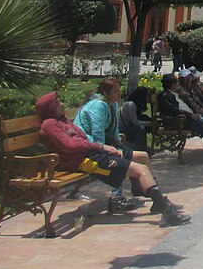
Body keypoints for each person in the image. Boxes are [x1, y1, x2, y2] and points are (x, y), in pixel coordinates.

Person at [36, 91, 190, 226]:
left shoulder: (62, 121)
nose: (62, 104)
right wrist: (101, 147)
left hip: (92, 155)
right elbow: (70, 146)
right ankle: (166, 212)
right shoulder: (50, 125)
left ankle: (156, 200)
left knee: (141, 158)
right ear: (50, 108)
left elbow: (81, 138)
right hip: (84, 162)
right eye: (57, 103)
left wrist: (103, 148)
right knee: (141, 170)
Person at [75, 77, 150, 211]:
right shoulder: (98, 105)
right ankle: (116, 197)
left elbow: (114, 128)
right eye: (116, 91)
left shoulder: (112, 103)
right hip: (87, 145)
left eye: (119, 90)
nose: (119, 93)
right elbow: (97, 132)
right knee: (118, 159)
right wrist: (105, 149)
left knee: (135, 155)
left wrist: (118, 143)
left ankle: (139, 186)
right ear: (106, 92)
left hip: (104, 142)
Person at [118, 85, 152, 153]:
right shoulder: (131, 105)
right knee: (141, 128)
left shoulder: (136, 105)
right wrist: (149, 123)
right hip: (121, 128)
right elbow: (135, 122)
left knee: (145, 118)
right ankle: (141, 149)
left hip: (127, 126)